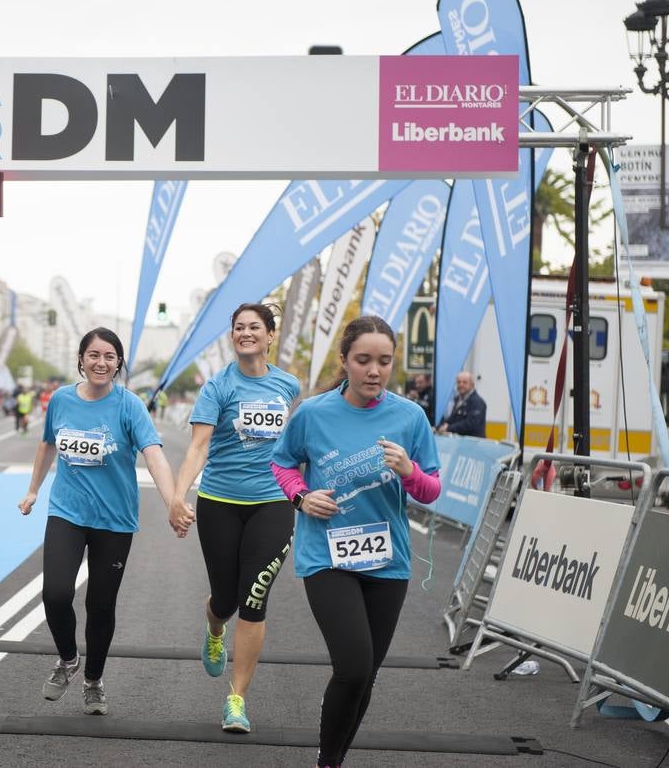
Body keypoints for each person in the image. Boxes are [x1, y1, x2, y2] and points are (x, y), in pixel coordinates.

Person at [270, 316, 440, 768]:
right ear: (344, 361)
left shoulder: (410, 417)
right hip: (326, 554)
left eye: (384, 361)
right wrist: (302, 497)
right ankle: (327, 761)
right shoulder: (313, 413)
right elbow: (282, 465)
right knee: (354, 666)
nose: (374, 371)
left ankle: (334, 759)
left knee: (366, 677)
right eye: (363, 360)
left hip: (388, 562)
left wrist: (410, 473)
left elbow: (431, 490)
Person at [18, 327, 189, 716]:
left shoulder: (129, 406)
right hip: (67, 512)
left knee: (100, 604)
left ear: (118, 363)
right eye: (94, 355)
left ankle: (93, 681)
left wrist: (173, 502)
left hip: (114, 520)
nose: (101, 362)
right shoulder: (61, 399)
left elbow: (154, 454)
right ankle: (68, 660)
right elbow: (48, 444)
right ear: (81, 359)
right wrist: (33, 490)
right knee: (55, 594)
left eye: (110, 356)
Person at [170, 303, 300, 732]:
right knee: (224, 600)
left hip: (273, 504)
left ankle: (236, 699)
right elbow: (198, 448)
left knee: (254, 598)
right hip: (220, 503)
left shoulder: (288, 385)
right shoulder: (218, 388)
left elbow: (298, 445)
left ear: (269, 336)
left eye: (254, 327)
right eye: (239, 328)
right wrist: (178, 496)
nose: (246, 333)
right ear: (233, 336)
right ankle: (213, 629)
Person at [437, 371, 486, 437]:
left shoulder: (478, 402)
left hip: (473, 444)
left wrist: (448, 428)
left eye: (464, 382)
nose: (461, 385)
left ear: (472, 384)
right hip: (459, 442)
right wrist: (439, 427)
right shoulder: (456, 399)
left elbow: (471, 424)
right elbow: (451, 419)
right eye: (458, 382)